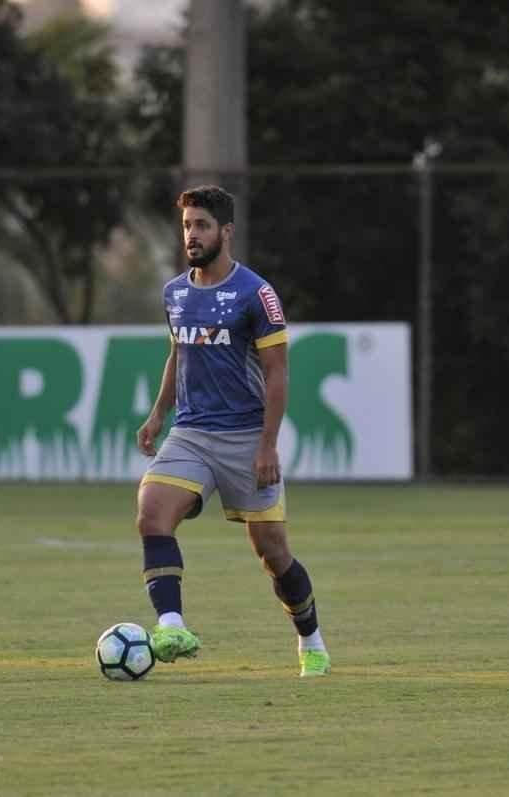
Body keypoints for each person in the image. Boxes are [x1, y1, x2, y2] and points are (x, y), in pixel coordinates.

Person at [133, 185, 330, 677]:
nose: (191, 235)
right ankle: (171, 625)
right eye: (186, 226)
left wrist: (268, 445)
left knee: (273, 554)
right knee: (151, 512)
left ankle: (311, 640)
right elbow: (178, 353)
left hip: (246, 437)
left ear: (226, 231)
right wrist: (159, 413)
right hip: (192, 432)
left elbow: (278, 372)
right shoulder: (175, 293)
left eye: (201, 226)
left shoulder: (256, 294)